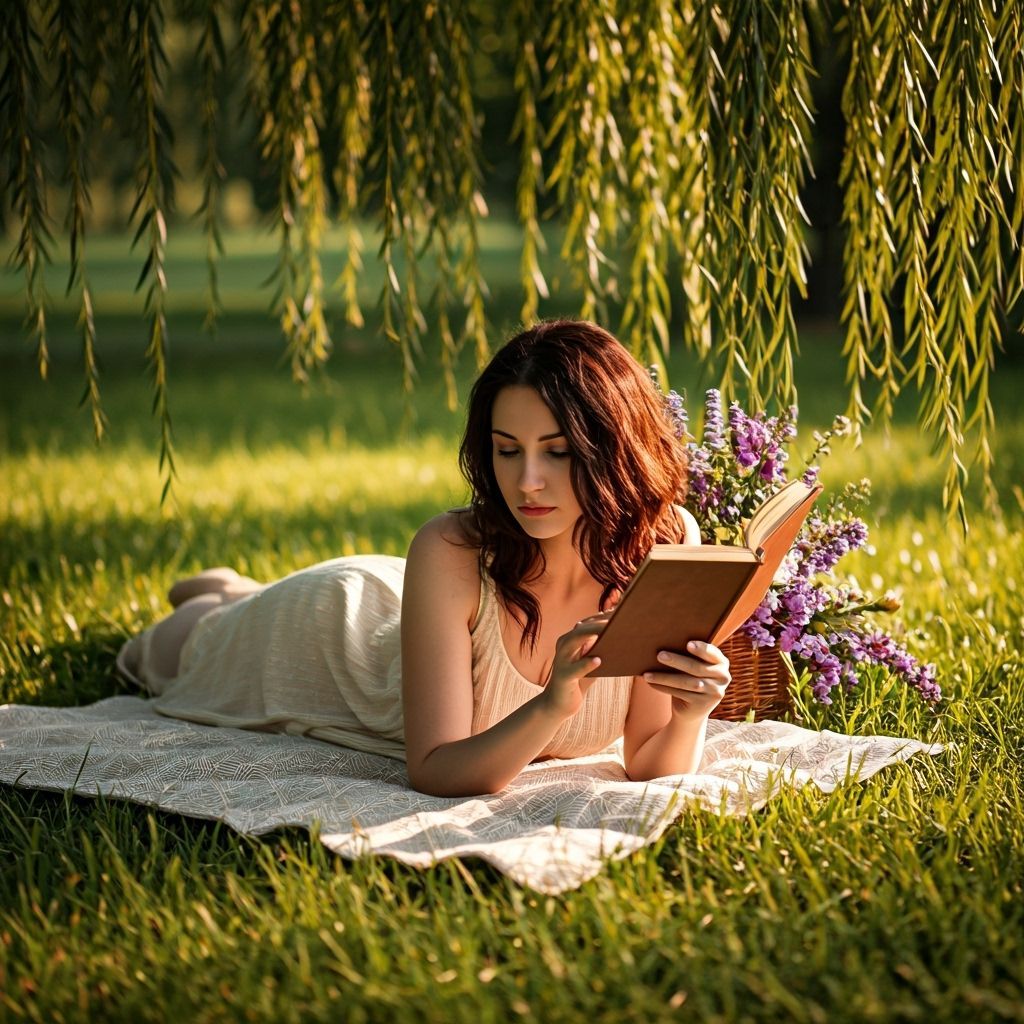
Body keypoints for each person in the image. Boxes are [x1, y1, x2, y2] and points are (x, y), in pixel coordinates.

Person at [117, 320, 731, 797]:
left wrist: (690, 714)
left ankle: (230, 589)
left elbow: (650, 760)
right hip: (329, 639)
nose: (527, 483)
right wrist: (552, 704)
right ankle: (223, 601)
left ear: (611, 447)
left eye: (559, 452)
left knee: (227, 605)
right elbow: (436, 770)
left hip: (406, 607)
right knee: (171, 650)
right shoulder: (450, 548)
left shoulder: (666, 541)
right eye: (507, 451)